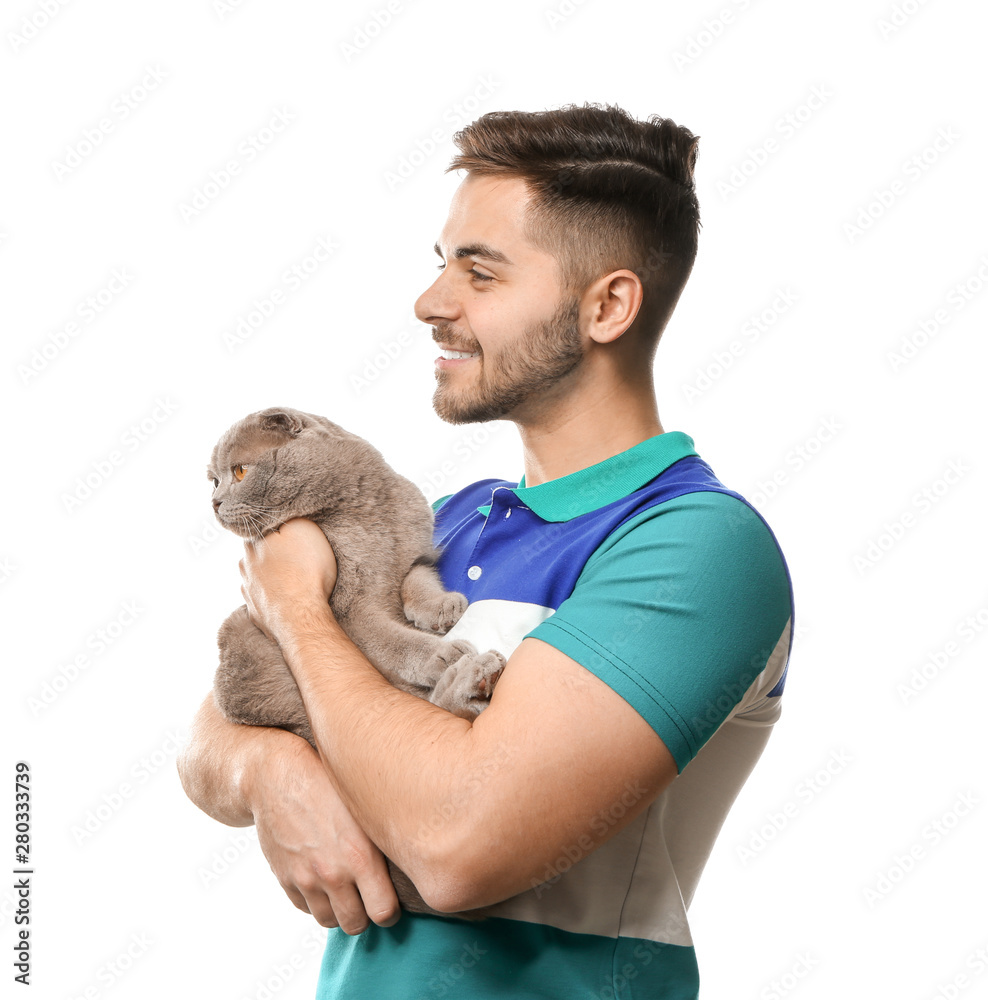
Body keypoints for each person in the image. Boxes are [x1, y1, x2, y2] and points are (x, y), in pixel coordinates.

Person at [178, 102, 794, 1000]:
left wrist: (300, 613)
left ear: (608, 305)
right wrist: (273, 769)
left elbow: (459, 844)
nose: (431, 304)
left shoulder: (697, 546)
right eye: (441, 265)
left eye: (481, 273)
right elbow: (211, 734)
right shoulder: (444, 520)